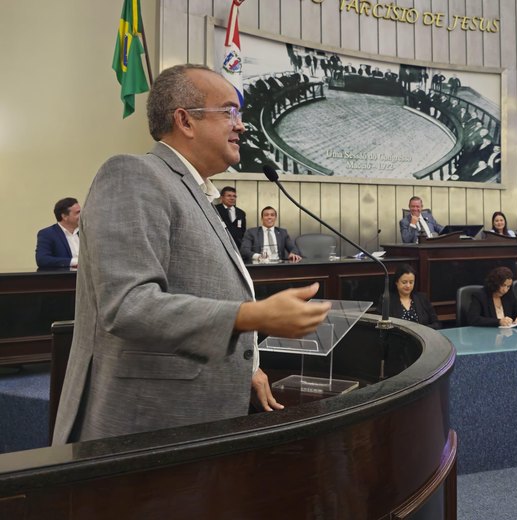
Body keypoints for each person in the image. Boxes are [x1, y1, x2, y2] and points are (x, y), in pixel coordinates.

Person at [52, 64, 331, 444]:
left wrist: (247, 367)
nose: (241, 125)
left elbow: (202, 287)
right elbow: (128, 305)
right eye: (230, 111)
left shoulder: (195, 192)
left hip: (196, 423)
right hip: (144, 432)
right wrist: (251, 316)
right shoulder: (133, 174)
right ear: (185, 120)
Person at [387, 264, 441, 329]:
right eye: (404, 282)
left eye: (411, 282)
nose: (408, 286)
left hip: (422, 336)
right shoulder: (387, 300)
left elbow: (437, 324)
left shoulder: (422, 298)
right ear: (396, 282)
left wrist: (421, 330)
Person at [35, 197, 81, 269]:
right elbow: (42, 259)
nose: (82, 215)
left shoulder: (86, 233)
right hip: (63, 278)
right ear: (64, 216)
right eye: (78, 212)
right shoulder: (47, 234)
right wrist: (74, 262)